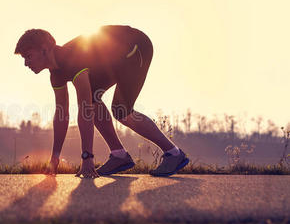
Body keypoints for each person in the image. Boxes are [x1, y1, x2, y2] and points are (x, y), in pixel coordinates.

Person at [14, 25, 189, 178]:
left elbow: (85, 111)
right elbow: (62, 116)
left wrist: (87, 157)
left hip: (135, 47)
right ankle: (119, 155)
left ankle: (174, 154)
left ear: (44, 49)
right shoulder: (56, 75)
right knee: (93, 100)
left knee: (121, 111)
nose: (25, 63)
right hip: (113, 60)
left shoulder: (72, 60)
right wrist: (54, 158)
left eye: (28, 56)